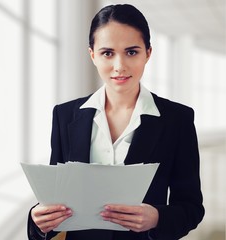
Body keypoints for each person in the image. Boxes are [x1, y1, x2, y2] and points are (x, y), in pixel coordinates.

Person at [27, 4, 204, 240]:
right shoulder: (65, 116)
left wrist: (157, 219)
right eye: (107, 53)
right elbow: (55, 200)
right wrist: (39, 221)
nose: (119, 66)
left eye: (131, 52)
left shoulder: (177, 119)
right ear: (92, 55)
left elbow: (191, 208)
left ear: (148, 53)